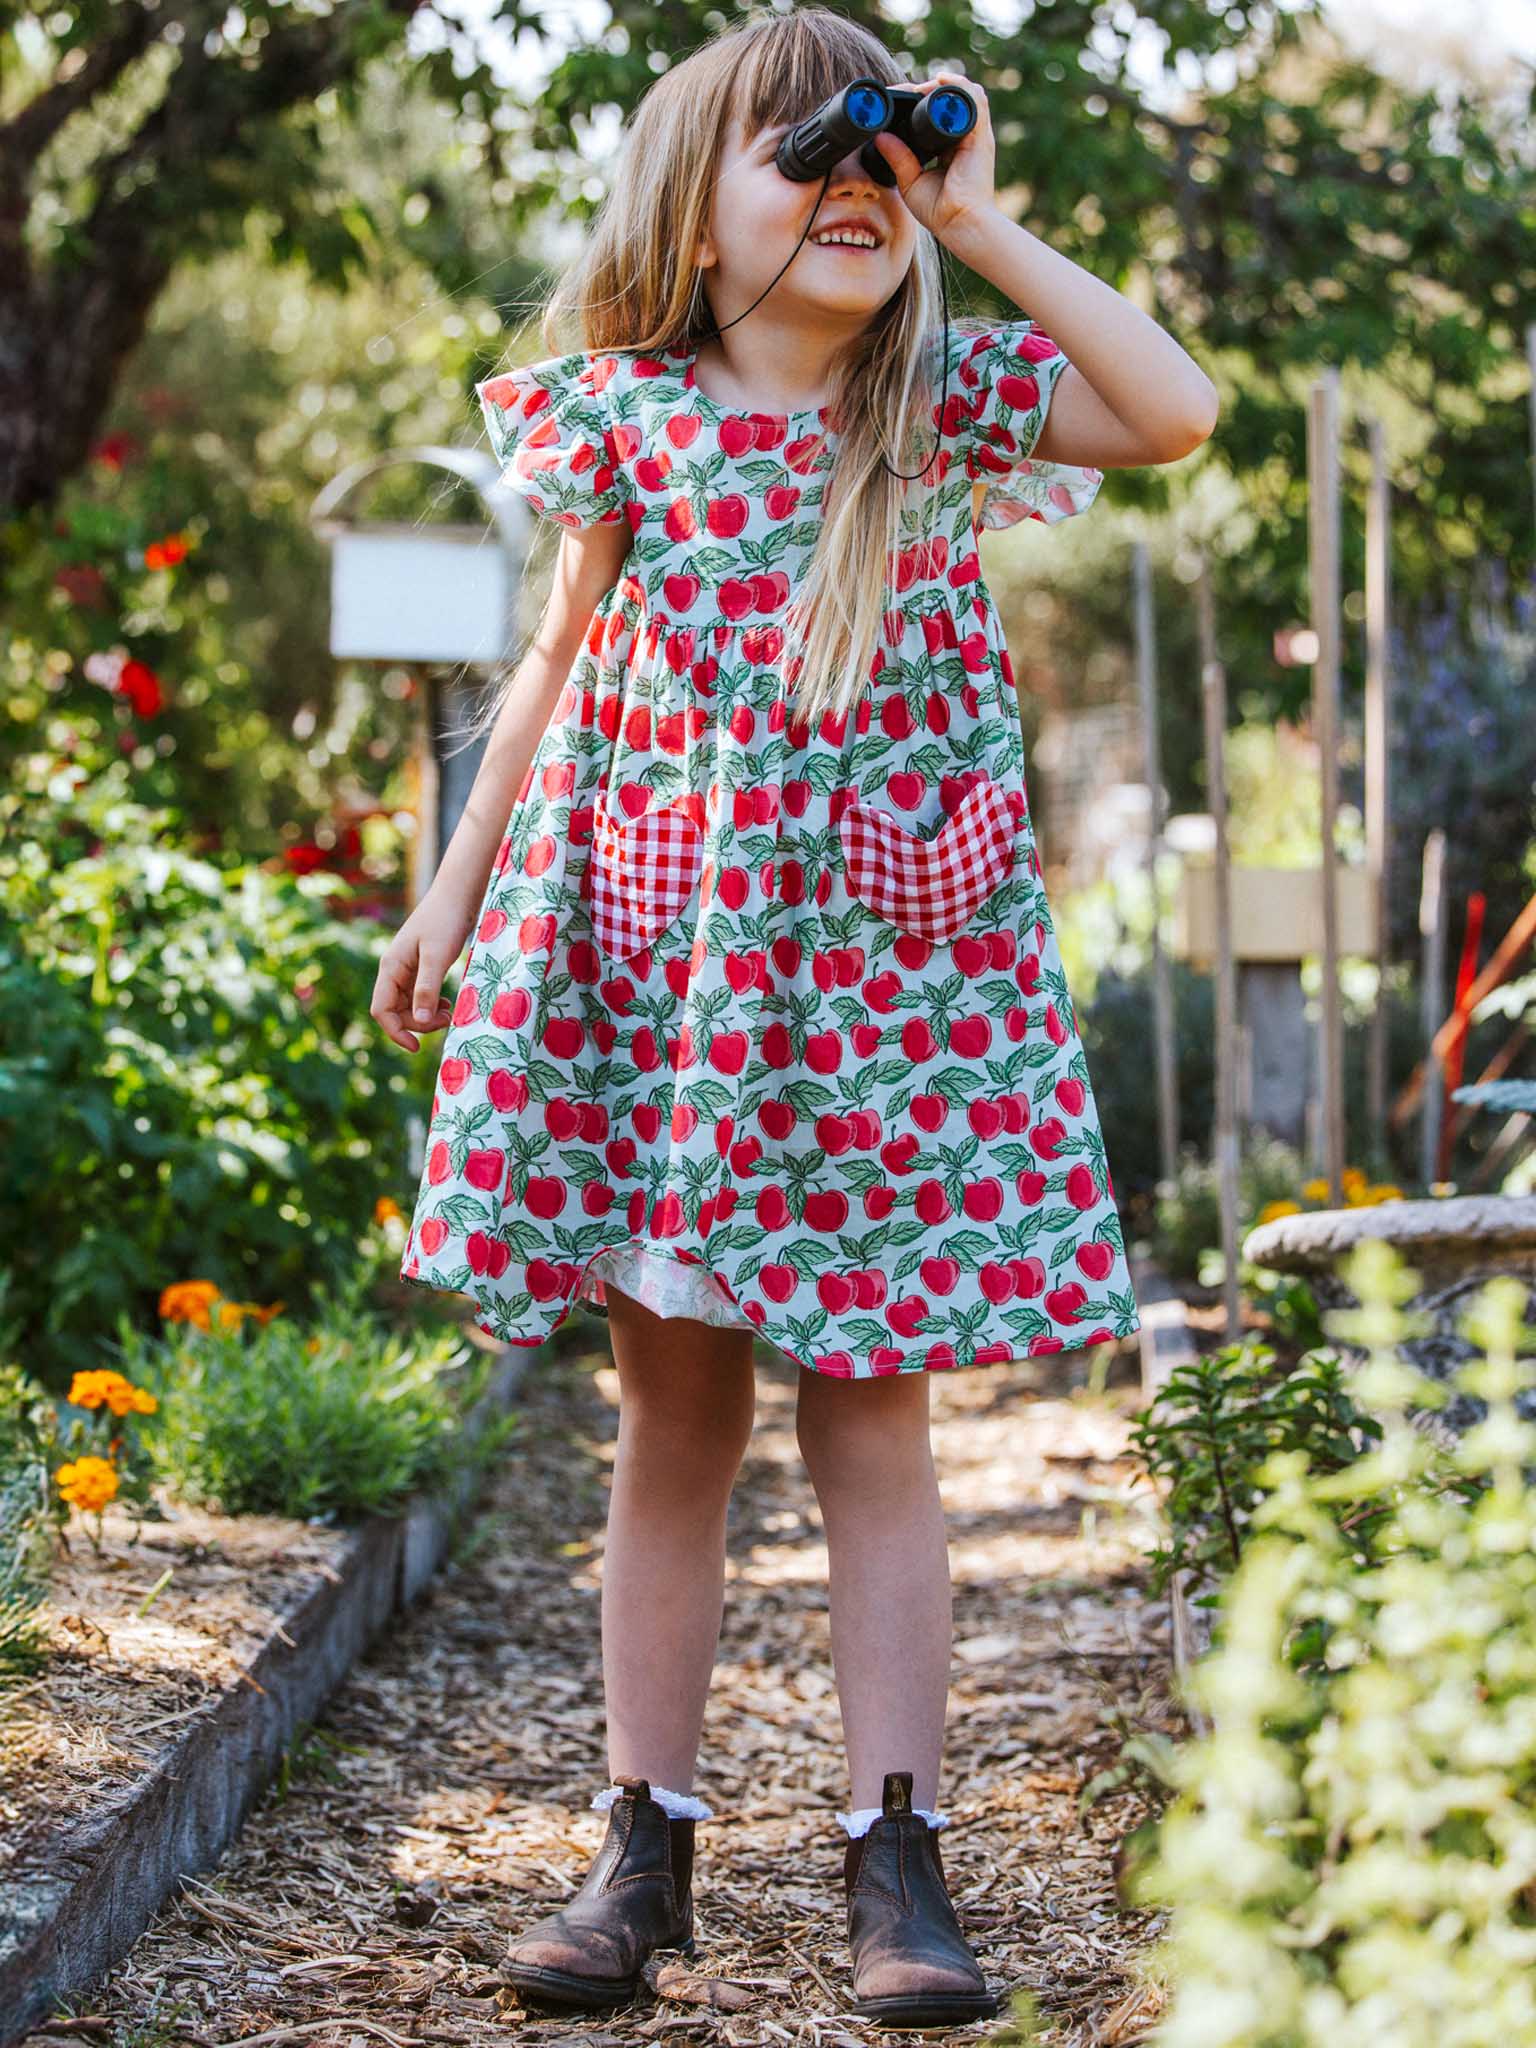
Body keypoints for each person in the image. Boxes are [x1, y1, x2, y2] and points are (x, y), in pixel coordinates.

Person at [371, 5, 1217, 2025]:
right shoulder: (626, 412)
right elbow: (559, 671)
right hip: (668, 979)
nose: (863, 189)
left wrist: (983, 218)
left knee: (876, 1416)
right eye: (808, 158)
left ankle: (892, 1856)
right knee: (675, 1414)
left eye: (888, 166)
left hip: (888, 1009)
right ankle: (641, 1844)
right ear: (687, 208)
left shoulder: (944, 407)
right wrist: (457, 888)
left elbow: (1174, 409)